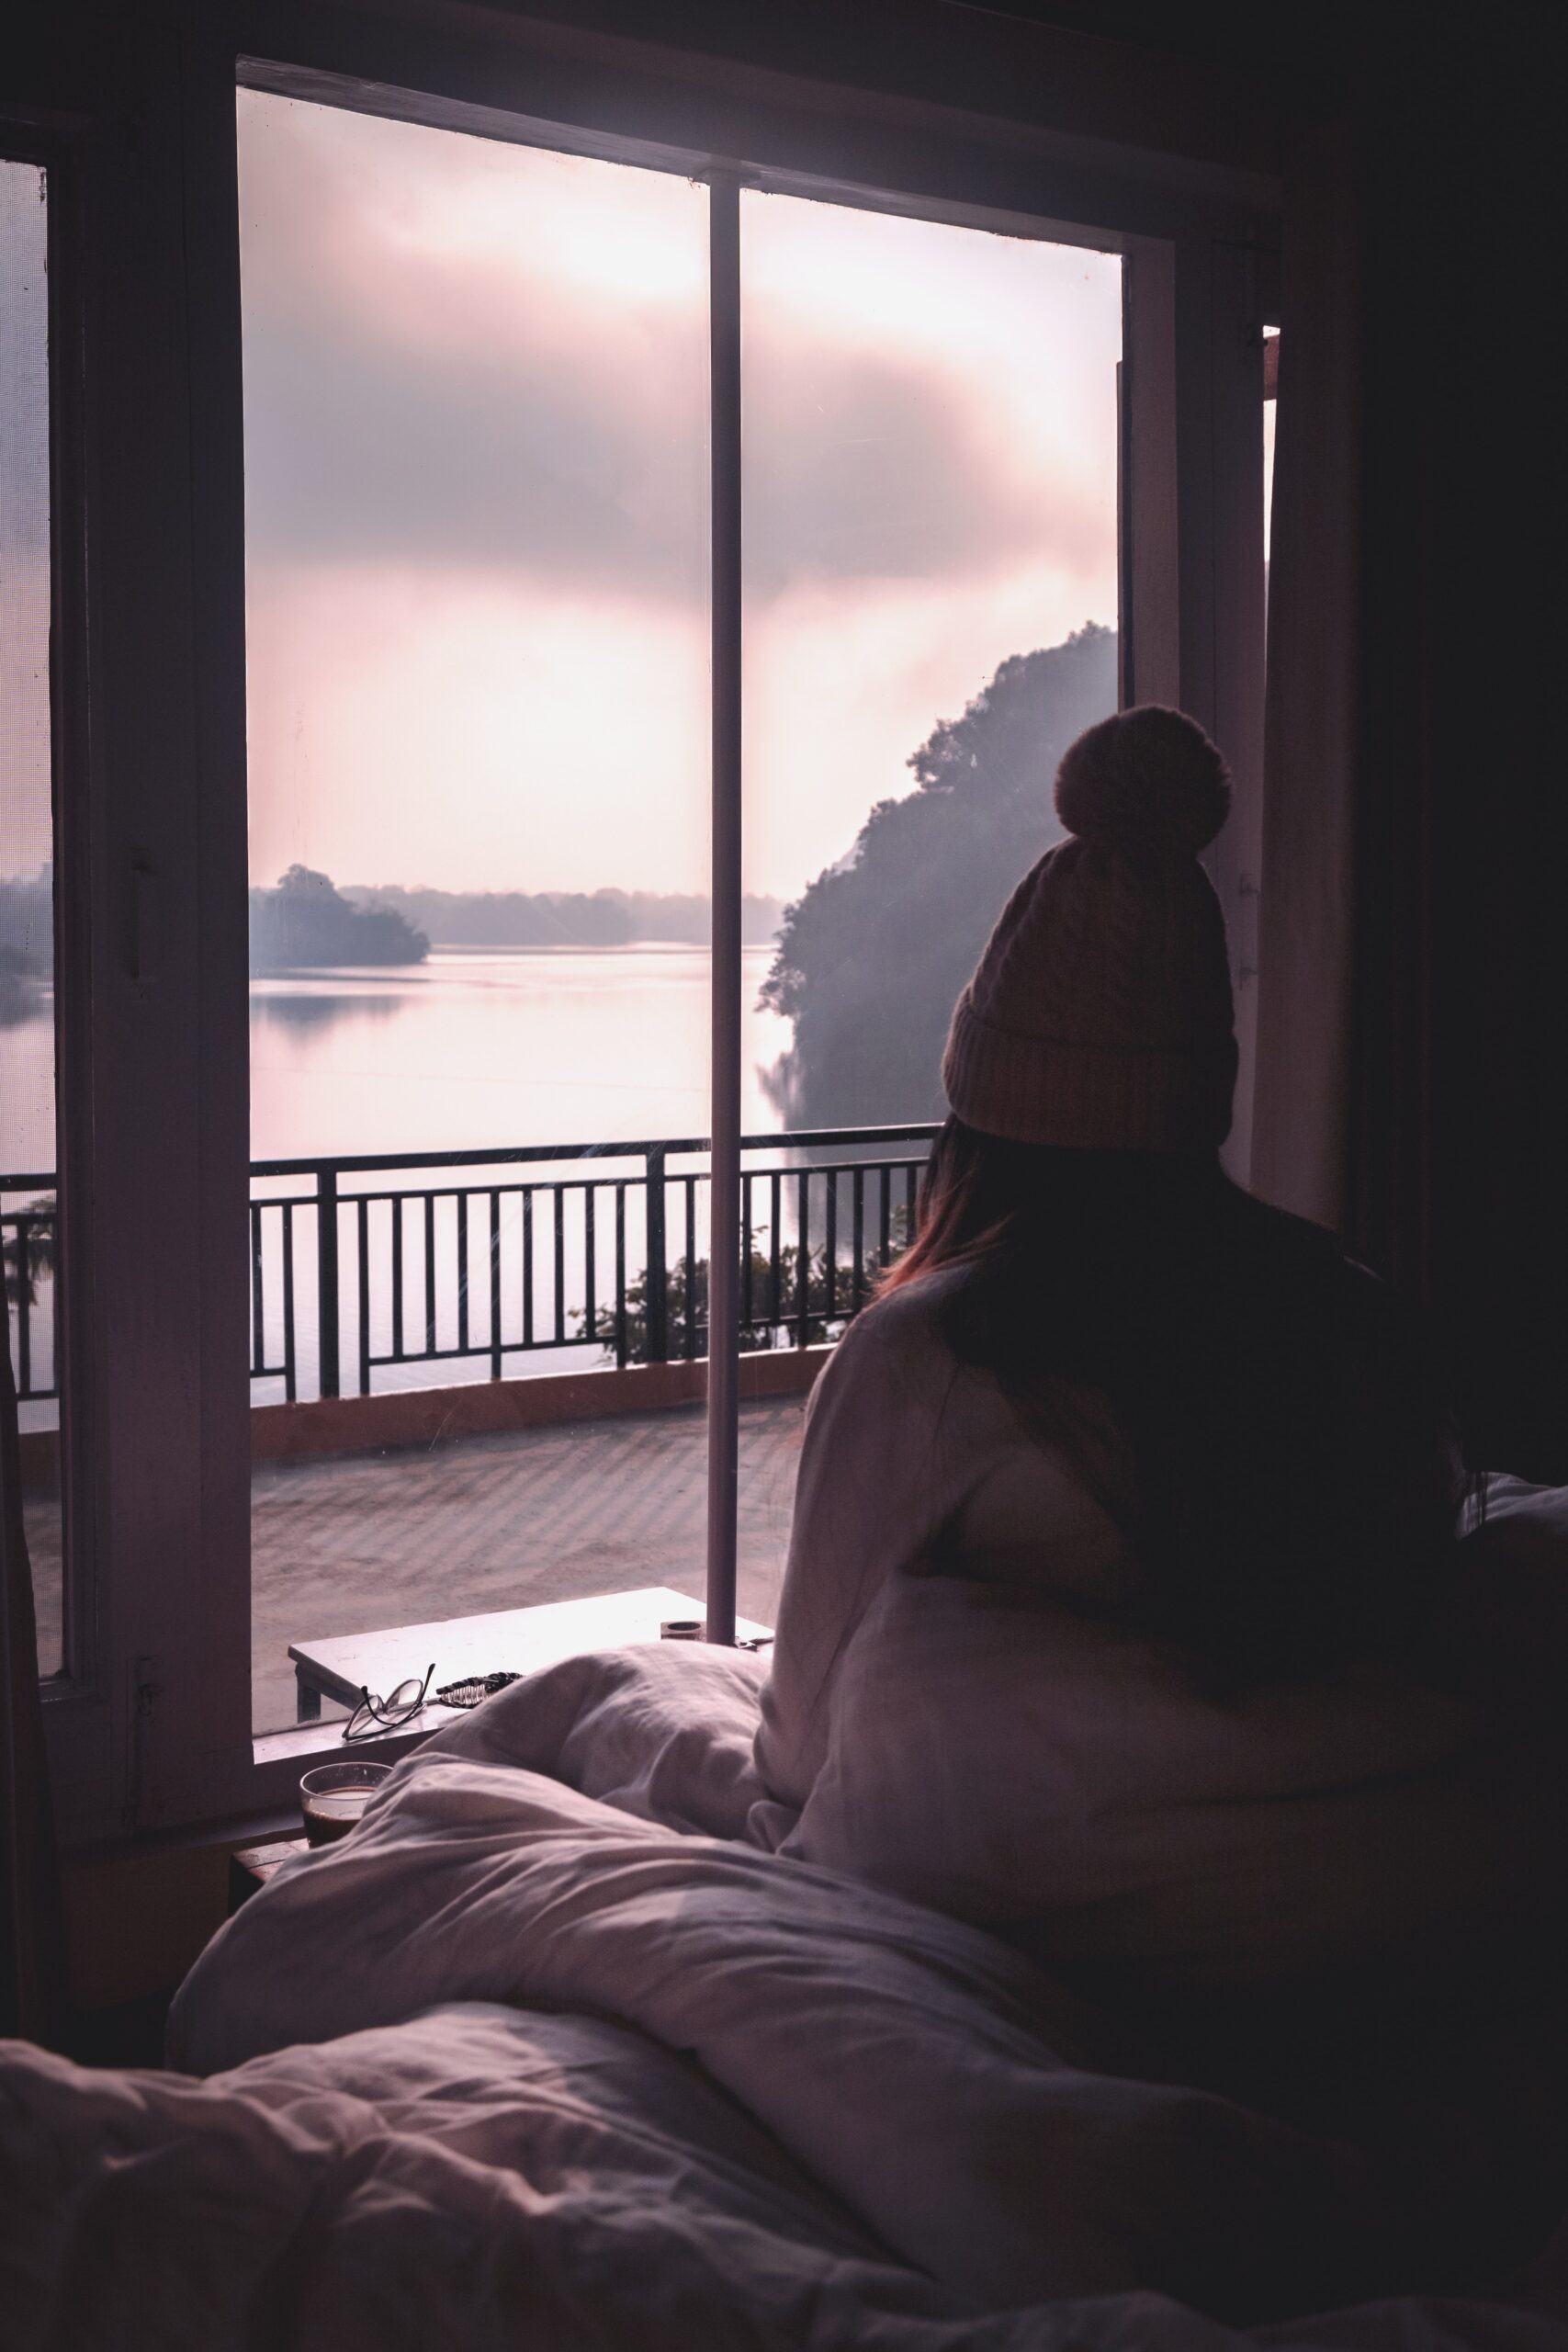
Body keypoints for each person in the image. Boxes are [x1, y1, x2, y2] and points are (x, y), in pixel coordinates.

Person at [750, 707, 1568, 2154]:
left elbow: (806, 1757)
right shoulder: (1351, 1315)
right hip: (1365, 1952)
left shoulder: (933, 1356)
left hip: (1041, 1962)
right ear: (1199, 1093)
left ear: (978, 1106)